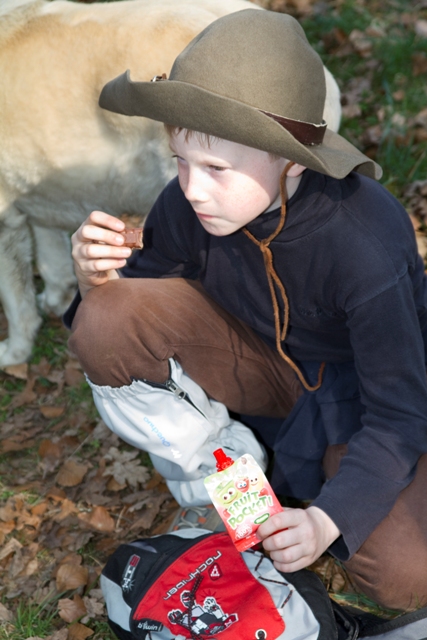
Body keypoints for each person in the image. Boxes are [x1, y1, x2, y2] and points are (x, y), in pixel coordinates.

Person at [64, 9, 427, 610]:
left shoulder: (365, 240)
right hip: (256, 369)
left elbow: (399, 414)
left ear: (290, 159)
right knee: (105, 318)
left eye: (215, 168)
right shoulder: (194, 204)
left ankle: (312, 494)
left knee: (403, 574)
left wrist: (328, 522)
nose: (190, 187)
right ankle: (225, 482)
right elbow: (135, 308)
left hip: (360, 404)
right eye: (179, 160)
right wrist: (94, 276)